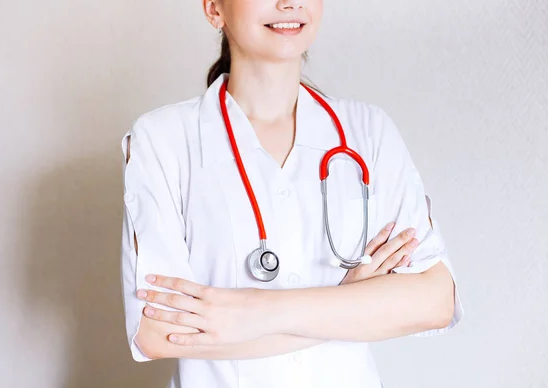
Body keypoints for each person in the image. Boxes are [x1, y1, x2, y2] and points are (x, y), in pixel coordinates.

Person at [119, 0, 464, 387]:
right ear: (214, 8)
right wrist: (349, 302)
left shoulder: (369, 130)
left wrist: (258, 311)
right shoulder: (163, 139)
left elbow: (435, 300)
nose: (289, 3)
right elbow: (158, 333)